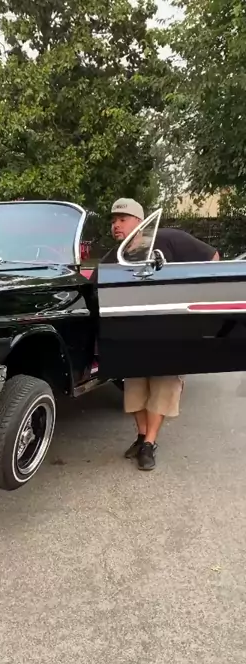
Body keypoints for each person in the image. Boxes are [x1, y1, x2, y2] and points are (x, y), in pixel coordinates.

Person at [99, 198, 219, 471]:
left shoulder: (169, 239)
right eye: (114, 221)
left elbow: (213, 258)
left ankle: (150, 444)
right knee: (135, 389)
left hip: (169, 332)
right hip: (132, 335)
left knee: (163, 388)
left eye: (122, 219)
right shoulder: (115, 257)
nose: (116, 225)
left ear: (139, 222)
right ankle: (142, 437)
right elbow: (96, 288)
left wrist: (195, 300)